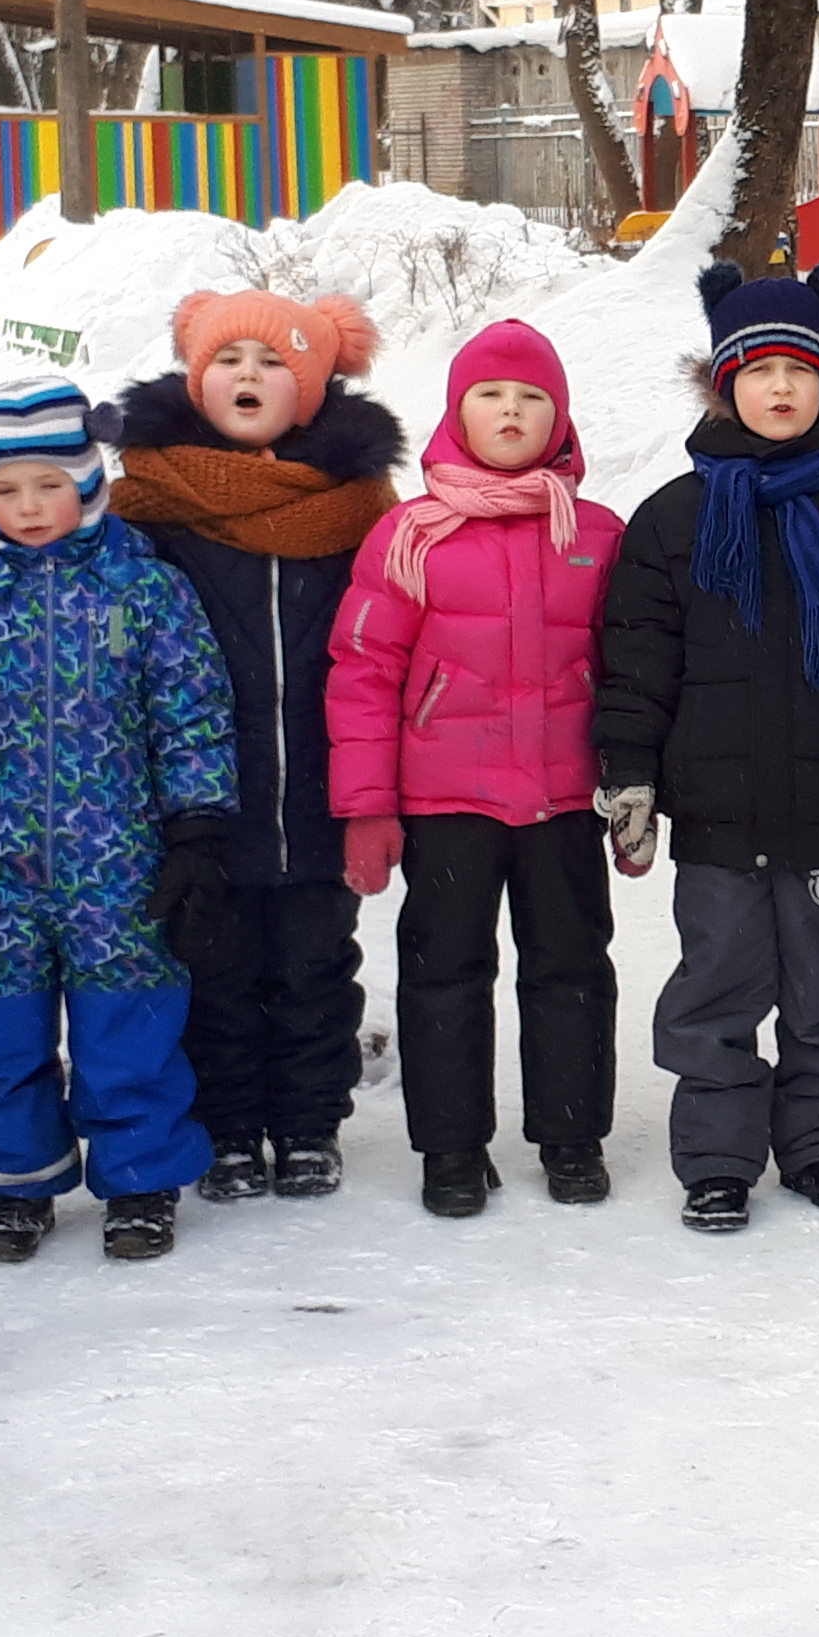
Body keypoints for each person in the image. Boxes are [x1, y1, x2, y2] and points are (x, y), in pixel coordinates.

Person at [594, 262, 819, 1234]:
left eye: (803, 369)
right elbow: (636, 664)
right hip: (716, 818)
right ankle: (716, 1161)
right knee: (714, 989)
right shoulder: (671, 520)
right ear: (726, 385)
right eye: (759, 370)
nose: (782, 388)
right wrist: (627, 775)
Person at [0, 372, 236, 1267]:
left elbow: (191, 715)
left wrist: (197, 832)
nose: (30, 507)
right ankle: (15, 1183)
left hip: (121, 863)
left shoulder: (145, 590)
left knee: (132, 1034)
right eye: (7, 490)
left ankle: (139, 1180)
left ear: (87, 479)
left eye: (49, 484)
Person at [112, 287, 405, 1204]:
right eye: (229, 360)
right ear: (196, 382)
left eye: (276, 360)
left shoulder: (360, 508)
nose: (249, 375)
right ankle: (230, 1127)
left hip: (319, 783)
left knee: (317, 969)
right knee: (214, 970)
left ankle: (311, 1125)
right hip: (202, 798)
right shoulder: (148, 508)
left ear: (315, 387)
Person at [331, 316, 627, 1212]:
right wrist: (368, 806)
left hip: (564, 798)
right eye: (490, 396)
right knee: (444, 974)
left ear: (559, 417)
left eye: (531, 397)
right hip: (446, 799)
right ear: (459, 414)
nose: (511, 411)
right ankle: (451, 1148)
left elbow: (634, 670)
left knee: (571, 968)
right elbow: (363, 673)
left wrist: (634, 786)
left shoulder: (597, 533)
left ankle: (571, 1134)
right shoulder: (410, 536)